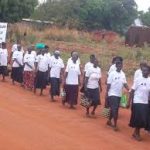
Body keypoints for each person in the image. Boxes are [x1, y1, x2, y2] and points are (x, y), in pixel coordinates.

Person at [128, 64, 150, 141]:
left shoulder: (149, 80)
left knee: (144, 119)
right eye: (143, 70)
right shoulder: (138, 79)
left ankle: (135, 133)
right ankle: (136, 133)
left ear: (149, 72)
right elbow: (132, 91)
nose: (144, 72)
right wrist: (129, 102)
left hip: (145, 102)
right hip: (137, 101)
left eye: (146, 70)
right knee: (139, 118)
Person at [105, 61, 129, 131]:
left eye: (121, 65)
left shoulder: (123, 74)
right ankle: (115, 125)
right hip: (112, 94)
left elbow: (125, 83)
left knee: (114, 108)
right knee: (115, 109)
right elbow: (108, 84)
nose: (120, 66)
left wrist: (129, 90)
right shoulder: (112, 74)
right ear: (116, 66)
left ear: (122, 66)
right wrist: (107, 94)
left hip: (119, 94)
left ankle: (109, 120)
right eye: (118, 65)